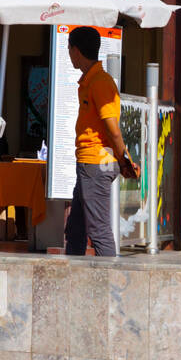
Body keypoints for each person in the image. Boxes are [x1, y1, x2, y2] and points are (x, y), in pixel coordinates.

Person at [64, 26, 139, 257]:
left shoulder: (100, 82)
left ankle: (112, 283)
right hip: (89, 163)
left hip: (96, 163)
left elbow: (113, 129)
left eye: (69, 49)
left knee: (98, 229)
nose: (69, 53)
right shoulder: (90, 80)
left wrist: (125, 160)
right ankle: (73, 277)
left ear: (76, 51)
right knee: (75, 228)